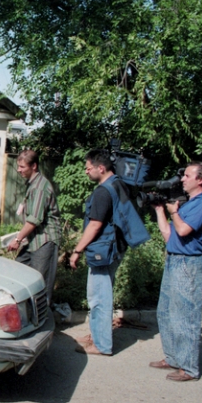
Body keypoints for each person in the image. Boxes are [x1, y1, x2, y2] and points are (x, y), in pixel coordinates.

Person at [149, 162, 202, 382]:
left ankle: (188, 368)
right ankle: (173, 358)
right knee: (166, 312)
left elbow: (183, 229)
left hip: (188, 265)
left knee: (185, 317)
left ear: (201, 180)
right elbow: (169, 235)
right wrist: (161, 210)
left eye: (187, 176)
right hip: (174, 261)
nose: (182, 179)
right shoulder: (188, 204)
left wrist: (174, 212)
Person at [69, 149, 127, 356]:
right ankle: (96, 335)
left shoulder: (103, 191)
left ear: (100, 168)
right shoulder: (118, 184)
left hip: (103, 250)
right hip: (115, 247)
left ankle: (102, 345)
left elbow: (94, 225)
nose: (86, 172)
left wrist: (77, 250)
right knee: (101, 294)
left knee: (99, 298)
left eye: (88, 168)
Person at [6, 150, 62, 308]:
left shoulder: (39, 187)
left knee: (39, 282)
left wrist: (17, 239)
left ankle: (41, 321)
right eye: (18, 166)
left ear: (34, 166)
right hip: (33, 240)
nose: (19, 170)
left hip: (44, 241)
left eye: (22, 167)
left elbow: (35, 219)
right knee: (18, 271)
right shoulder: (32, 184)